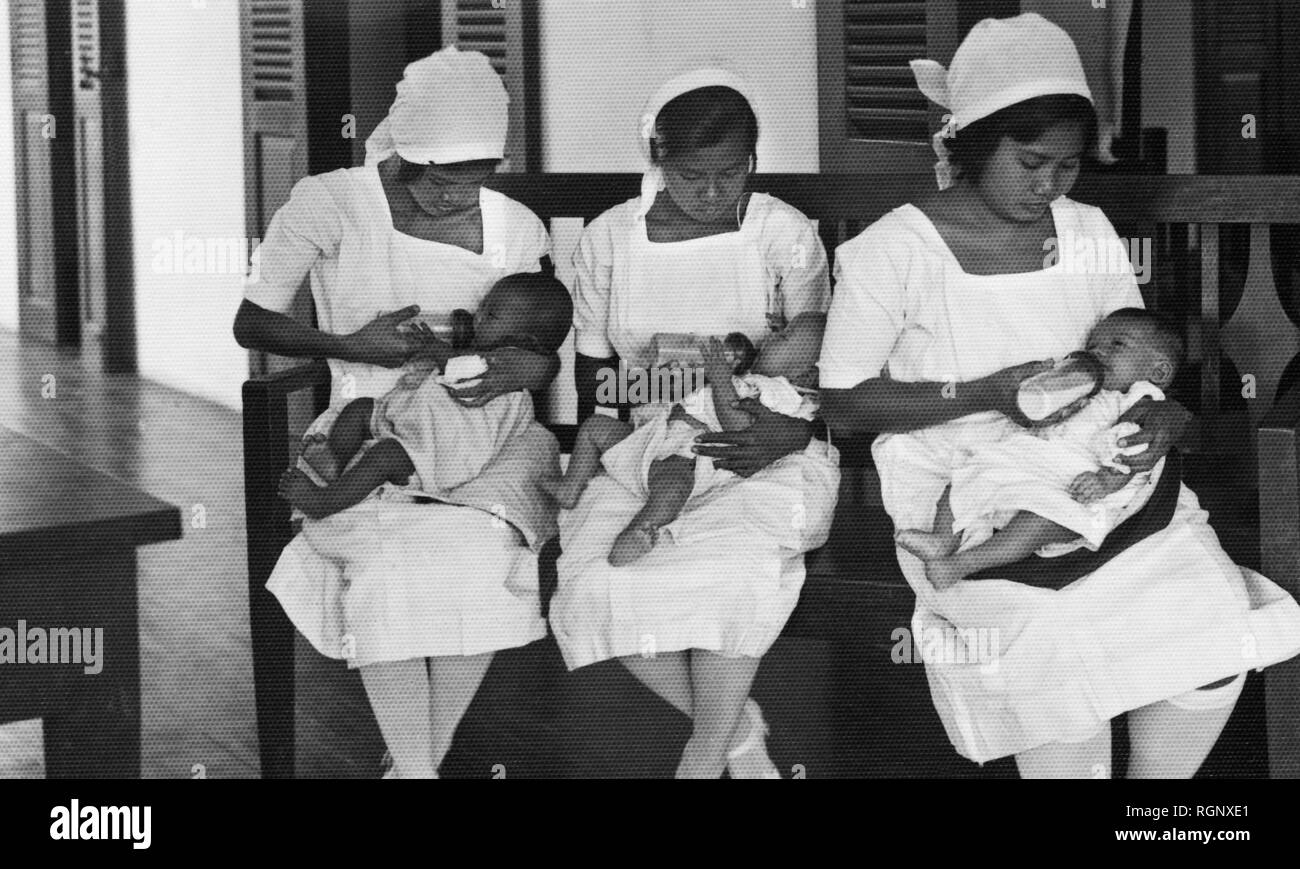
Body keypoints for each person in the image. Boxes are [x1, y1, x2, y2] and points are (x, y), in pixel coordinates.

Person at [817, 13, 1300, 778]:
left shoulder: (1084, 231)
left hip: (1095, 466)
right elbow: (843, 402)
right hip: (967, 490)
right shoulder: (891, 250)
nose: (1049, 186)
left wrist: (1163, 411)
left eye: (1068, 167)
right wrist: (981, 393)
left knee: (1204, 615)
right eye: (1032, 162)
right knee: (1051, 642)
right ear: (974, 143)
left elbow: (1135, 351)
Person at [232, 47, 560, 779]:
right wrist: (350, 343)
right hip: (372, 421)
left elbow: (546, 350)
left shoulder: (517, 228)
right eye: (444, 182)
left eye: (477, 180)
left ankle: (414, 766)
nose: (459, 198)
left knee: (484, 548)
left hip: (490, 429)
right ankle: (418, 769)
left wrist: (516, 366)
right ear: (405, 153)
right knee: (387, 559)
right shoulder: (329, 201)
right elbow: (252, 323)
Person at [551, 65, 839, 779]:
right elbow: (599, 387)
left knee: (736, 570)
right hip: (651, 448)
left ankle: (705, 754)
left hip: (765, 446)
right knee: (598, 583)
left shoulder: (784, 234)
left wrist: (790, 431)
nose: (712, 194)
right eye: (690, 175)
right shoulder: (610, 241)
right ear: (656, 160)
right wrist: (660, 379)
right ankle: (736, 732)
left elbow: (825, 366)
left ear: (754, 158)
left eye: (730, 173)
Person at [895, 308, 1182, 588]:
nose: (1098, 351)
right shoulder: (1085, 387)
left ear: (1158, 371)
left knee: (1042, 520)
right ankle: (943, 538)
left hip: (1083, 482)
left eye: (1117, 344)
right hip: (1036, 461)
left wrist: (1104, 481)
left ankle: (963, 564)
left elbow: (1133, 448)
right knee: (969, 472)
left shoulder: (1143, 399)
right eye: (1093, 345)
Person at [280, 274, 573, 520]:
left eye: (491, 315)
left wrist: (434, 348)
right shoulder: (493, 353)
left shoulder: (508, 364)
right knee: (360, 409)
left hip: (437, 457)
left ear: (528, 338)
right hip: (414, 426)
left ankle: (325, 502)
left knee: (384, 455)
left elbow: (460, 369)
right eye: (482, 308)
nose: (478, 317)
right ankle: (333, 460)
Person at [550, 311, 824, 566]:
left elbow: (743, 427)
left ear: (806, 374)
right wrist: (657, 382)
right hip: (654, 435)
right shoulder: (752, 374)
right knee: (594, 426)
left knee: (672, 489)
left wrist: (719, 378)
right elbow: (597, 386)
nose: (772, 337)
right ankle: (570, 486)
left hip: (691, 453)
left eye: (783, 336)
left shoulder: (780, 392)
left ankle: (639, 532)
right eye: (778, 331)